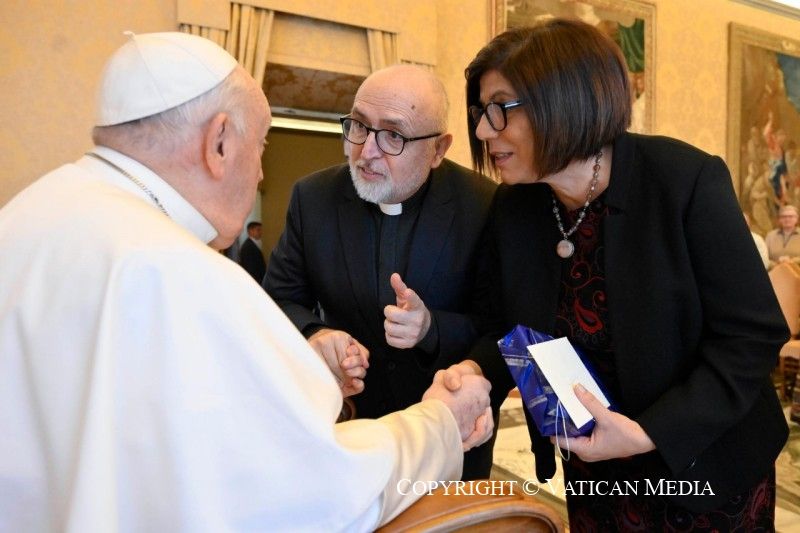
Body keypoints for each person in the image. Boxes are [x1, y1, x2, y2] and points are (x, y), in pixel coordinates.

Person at [0, 32, 494, 531]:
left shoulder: (27, 212)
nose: (260, 173)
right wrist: (440, 426)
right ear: (218, 143)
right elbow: (309, 488)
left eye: (392, 135)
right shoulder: (183, 275)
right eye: (259, 146)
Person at [444, 18, 788, 530]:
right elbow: (505, 326)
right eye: (480, 112)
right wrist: (471, 374)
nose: (482, 131)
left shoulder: (684, 182)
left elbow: (751, 336)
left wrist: (649, 433)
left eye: (499, 110)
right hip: (596, 473)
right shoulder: (516, 209)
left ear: (564, 99)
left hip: (706, 470)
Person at [263, 64, 497, 479]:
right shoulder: (313, 198)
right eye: (358, 126)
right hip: (350, 433)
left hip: (447, 436)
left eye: (393, 135)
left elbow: (498, 324)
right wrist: (317, 334)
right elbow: (279, 298)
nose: (366, 151)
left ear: (439, 149)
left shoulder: (484, 205)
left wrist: (430, 329)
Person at [766, 204, 800, 268]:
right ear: (779, 219)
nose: (787, 219)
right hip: (774, 273)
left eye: (790, 216)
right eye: (784, 217)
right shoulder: (770, 235)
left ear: (797, 219)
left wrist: (792, 261)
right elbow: (764, 256)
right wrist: (776, 264)